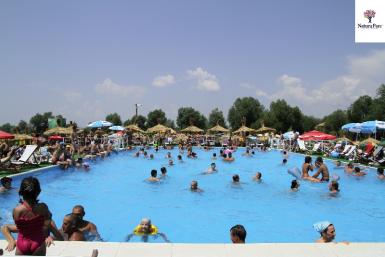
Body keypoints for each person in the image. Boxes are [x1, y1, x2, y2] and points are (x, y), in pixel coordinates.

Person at [9, 177, 53, 255]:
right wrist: (47, 234)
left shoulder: (16, 210)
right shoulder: (43, 207)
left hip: (21, 243)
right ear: (39, 192)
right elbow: (48, 221)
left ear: (21, 192)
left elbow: (18, 226)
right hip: (38, 242)